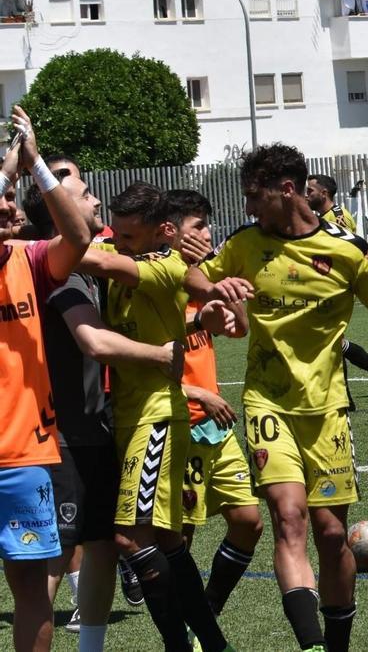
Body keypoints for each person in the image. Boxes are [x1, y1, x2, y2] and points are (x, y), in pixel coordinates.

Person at [185, 143, 368, 652]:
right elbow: (197, 274)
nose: (247, 207)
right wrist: (215, 289)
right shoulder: (246, 243)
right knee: (288, 517)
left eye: (254, 196)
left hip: (329, 409)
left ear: (286, 189)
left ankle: (337, 644)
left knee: (332, 536)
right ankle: (311, 645)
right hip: (267, 403)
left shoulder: (346, 250)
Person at [22, 163, 181, 650]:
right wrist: (162, 355)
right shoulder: (62, 275)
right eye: (84, 194)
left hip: (93, 432)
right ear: (61, 210)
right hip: (64, 436)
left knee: (100, 548)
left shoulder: (85, 266)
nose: (94, 201)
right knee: (53, 559)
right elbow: (94, 343)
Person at [76, 182, 240, 652]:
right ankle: (212, 642)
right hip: (130, 417)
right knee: (168, 540)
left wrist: (31, 246)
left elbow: (102, 260)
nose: (119, 241)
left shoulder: (163, 264)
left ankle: (177, 645)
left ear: (161, 231)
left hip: (156, 418)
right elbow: (107, 251)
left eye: (129, 235)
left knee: (129, 539)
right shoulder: (130, 250)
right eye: (118, 234)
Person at [0, 106, 92, 652]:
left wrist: (34, 165)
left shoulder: (27, 258)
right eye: (5, 196)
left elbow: (77, 235)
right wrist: (9, 167)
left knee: (32, 588)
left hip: (23, 454)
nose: (11, 204)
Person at [168, 189, 264, 626]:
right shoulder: (157, 281)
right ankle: (185, 626)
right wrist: (198, 394)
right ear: (171, 232)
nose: (208, 234)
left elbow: (240, 328)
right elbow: (137, 359)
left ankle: (206, 609)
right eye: (198, 227)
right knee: (178, 538)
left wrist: (227, 287)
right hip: (178, 424)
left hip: (215, 426)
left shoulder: (203, 280)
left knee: (249, 522)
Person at [305, 174, 368, 407]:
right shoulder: (323, 217)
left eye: (310, 191)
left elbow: (344, 252)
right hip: (328, 284)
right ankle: (350, 394)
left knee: (333, 339)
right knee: (334, 341)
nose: (306, 195)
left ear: (323, 193)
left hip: (337, 286)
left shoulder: (336, 218)